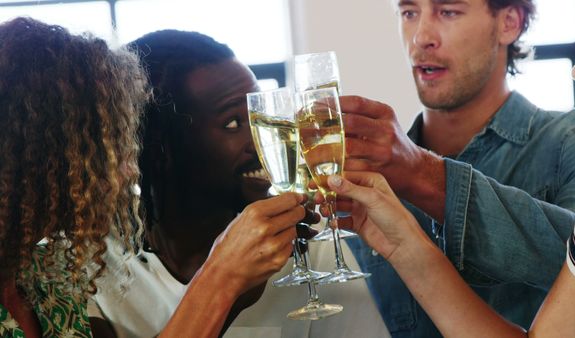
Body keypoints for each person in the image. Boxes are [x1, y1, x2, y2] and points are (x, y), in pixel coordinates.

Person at [328, 1, 575, 335]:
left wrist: (423, 176)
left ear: (509, 23)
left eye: (448, 11)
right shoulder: (376, 181)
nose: (421, 37)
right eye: (408, 13)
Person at [88, 29, 387, 338]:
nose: (261, 140)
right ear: (158, 147)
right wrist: (227, 285)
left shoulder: (313, 253)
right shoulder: (90, 265)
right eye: (233, 123)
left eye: (258, 114)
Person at [0, 17, 148, 337]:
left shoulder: (47, 278)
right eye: (107, 146)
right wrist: (220, 281)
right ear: (40, 154)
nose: (128, 171)